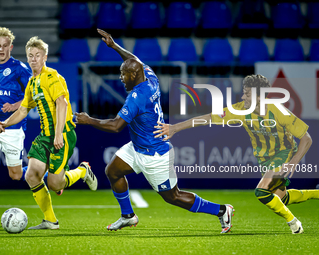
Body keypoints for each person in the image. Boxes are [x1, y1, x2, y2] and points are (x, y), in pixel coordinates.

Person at [75, 29, 234, 233]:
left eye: (123, 74)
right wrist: (114, 46)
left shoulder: (137, 97)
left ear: (133, 75)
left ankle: (222, 211)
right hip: (139, 146)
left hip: (155, 153)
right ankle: (128, 216)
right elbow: (134, 60)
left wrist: (88, 120)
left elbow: (116, 126)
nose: (121, 78)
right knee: (113, 171)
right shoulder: (149, 76)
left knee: (173, 197)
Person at [154, 74, 319, 234]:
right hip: (264, 158)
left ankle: (294, 223)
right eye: (244, 92)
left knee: (261, 191)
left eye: (247, 94)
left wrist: (294, 161)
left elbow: (307, 138)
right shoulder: (239, 110)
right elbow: (208, 118)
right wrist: (175, 128)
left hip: (285, 152)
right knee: (280, 198)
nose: (243, 96)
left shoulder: (278, 111)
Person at [0, 36, 98, 230]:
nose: (34, 59)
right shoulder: (32, 83)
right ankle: (50, 220)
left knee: (55, 184)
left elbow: (62, 103)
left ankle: (83, 170)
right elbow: (23, 110)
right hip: (45, 136)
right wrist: (6, 123)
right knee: (32, 175)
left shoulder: (52, 76)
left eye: (37, 55)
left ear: (45, 57)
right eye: (30, 56)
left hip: (63, 134)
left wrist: (58, 134)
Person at [0, 27, 32, 221]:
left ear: (11, 47)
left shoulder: (20, 68)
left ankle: (42, 174)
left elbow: (32, 95)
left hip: (12, 127)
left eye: (5, 46)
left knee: (16, 175)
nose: (2, 50)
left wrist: (15, 105)